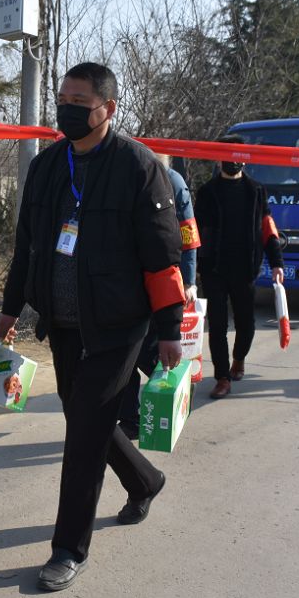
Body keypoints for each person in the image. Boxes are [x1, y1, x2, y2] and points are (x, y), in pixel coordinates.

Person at [0, 62, 183, 592]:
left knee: (83, 435)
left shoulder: (139, 168)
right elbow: (26, 246)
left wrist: (168, 328)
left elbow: (162, 257)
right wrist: (11, 309)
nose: (67, 110)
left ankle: (67, 549)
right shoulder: (48, 165)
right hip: (64, 323)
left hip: (120, 324)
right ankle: (146, 479)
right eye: (62, 99)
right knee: (87, 420)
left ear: (108, 109)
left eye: (79, 101)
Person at [193, 134, 285, 399]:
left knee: (246, 324)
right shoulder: (207, 192)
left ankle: (239, 359)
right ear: (219, 157)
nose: (232, 161)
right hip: (214, 269)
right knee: (218, 325)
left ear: (244, 159)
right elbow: (196, 231)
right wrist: (194, 265)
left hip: (245, 268)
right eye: (227, 154)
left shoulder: (256, 190)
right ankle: (222, 377)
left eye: (237, 155)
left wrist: (276, 261)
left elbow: (268, 228)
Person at [117, 160, 199, 439]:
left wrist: (188, 281)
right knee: (122, 353)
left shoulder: (174, 182)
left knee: (150, 351)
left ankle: (177, 395)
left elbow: (188, 234)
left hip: (160, 278)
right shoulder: (120, 176)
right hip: (124, 281)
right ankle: (129, 419)